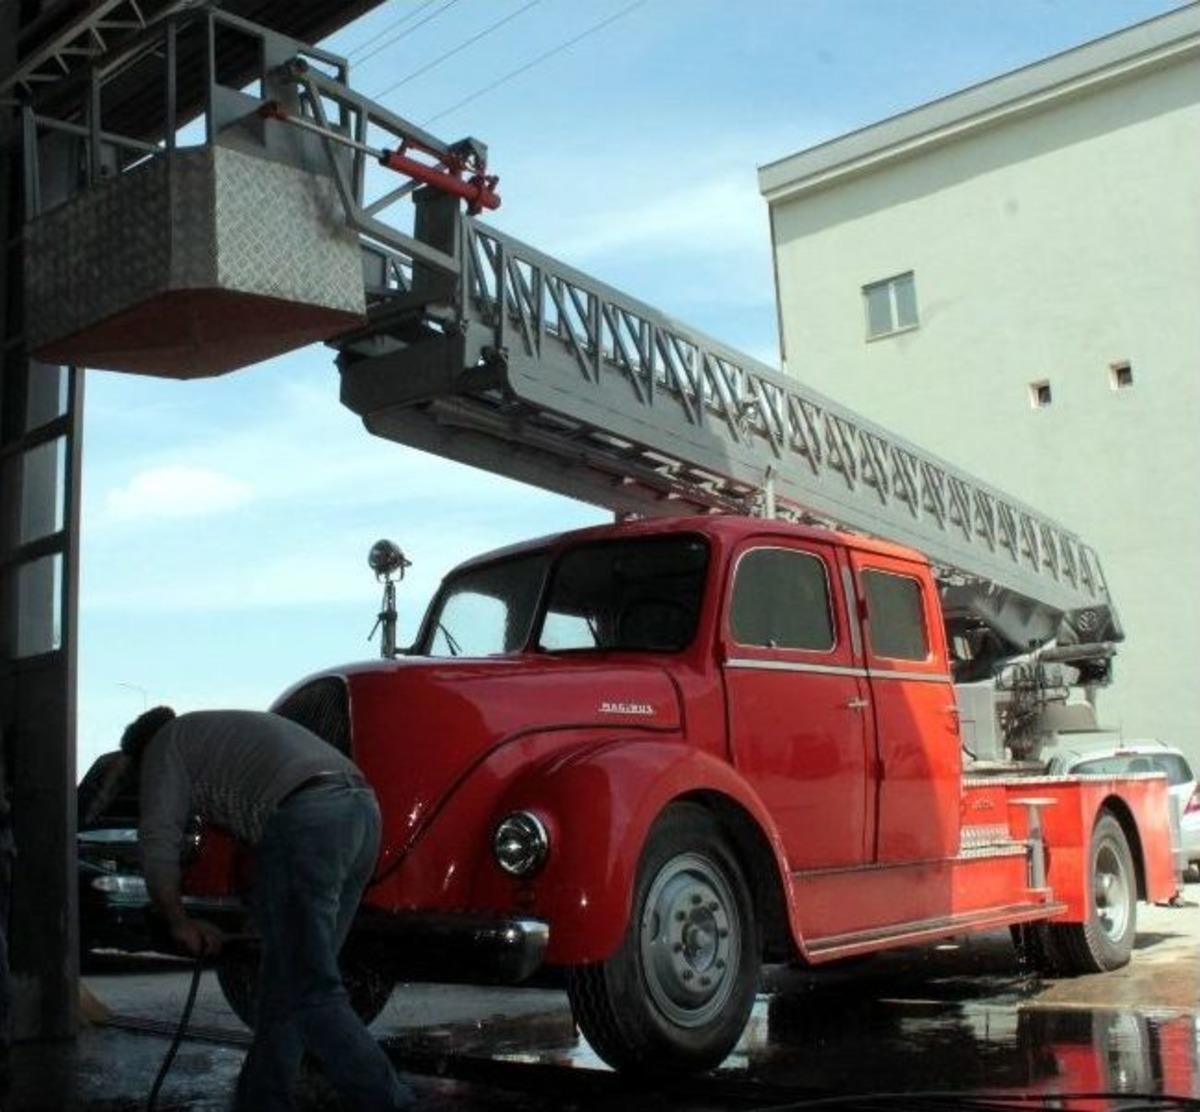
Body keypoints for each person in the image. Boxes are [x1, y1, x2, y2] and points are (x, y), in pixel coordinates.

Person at [120, 705, 412, 1111]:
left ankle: (392, 1102)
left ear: (141, 751)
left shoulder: (163, 747)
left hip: (309, 817)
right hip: (360, 810)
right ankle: (260, 1101)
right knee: (287, 986)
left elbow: (159, 837)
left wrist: (176, 919)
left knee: (311, 991)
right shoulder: (210, 732)